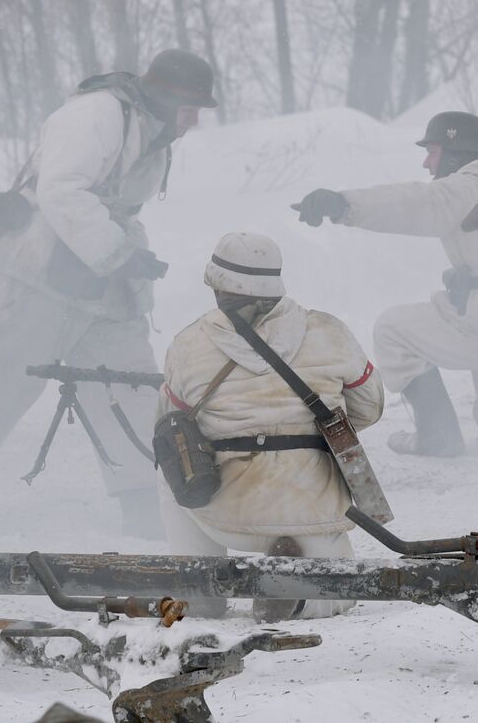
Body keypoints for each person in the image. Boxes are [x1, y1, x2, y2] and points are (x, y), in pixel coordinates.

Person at [0, 49, 215, 534]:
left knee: (128, 381)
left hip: (101, 276)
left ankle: (144, 500)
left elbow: (121, 208)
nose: (194, 120)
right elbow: (61, 191)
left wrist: (133, 260)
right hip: (42, 268)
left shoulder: (152, 132)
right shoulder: (96, 115)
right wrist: (117, 253)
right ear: (166, 98)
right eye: (190, 108)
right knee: (1, 384)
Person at [292, 112, 478, 456]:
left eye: (432, 151)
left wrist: (344, 205)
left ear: (454, 149)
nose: (427, 163)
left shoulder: (464, 187)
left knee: (391, 329)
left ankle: (436, 436)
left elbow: (416, 202)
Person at [157, 232, 383, 621]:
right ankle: (298, 600)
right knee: (338, 592)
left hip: (224, 514)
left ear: (215, 286)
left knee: (169, 462)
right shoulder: (330, 331)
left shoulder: (187, 343)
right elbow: (370, 409)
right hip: (310, 507)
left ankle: (198, 587)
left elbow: (168, 424)